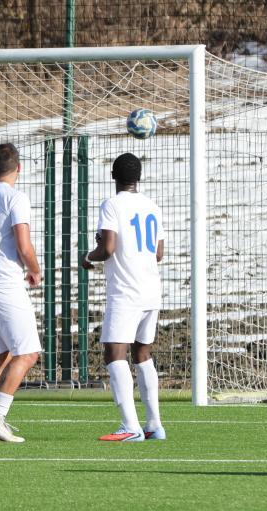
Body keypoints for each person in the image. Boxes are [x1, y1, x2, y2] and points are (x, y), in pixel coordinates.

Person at [82, 153, 166, 442]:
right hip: (151, 290)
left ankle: (130, 426)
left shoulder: (112, 204)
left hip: (126, 291)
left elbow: (107, 248)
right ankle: (154, 424)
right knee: (143, 353)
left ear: (113, 176)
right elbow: (158, 253)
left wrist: (88, 256)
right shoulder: (152, 206)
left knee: (114, 353)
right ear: (138, 177)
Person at [0, 143, 42, 443]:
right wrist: (35, 269)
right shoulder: (16, 197)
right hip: (5, 283)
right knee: (28, 353)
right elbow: (23, 244)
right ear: (19, 168)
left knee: (3, 354)